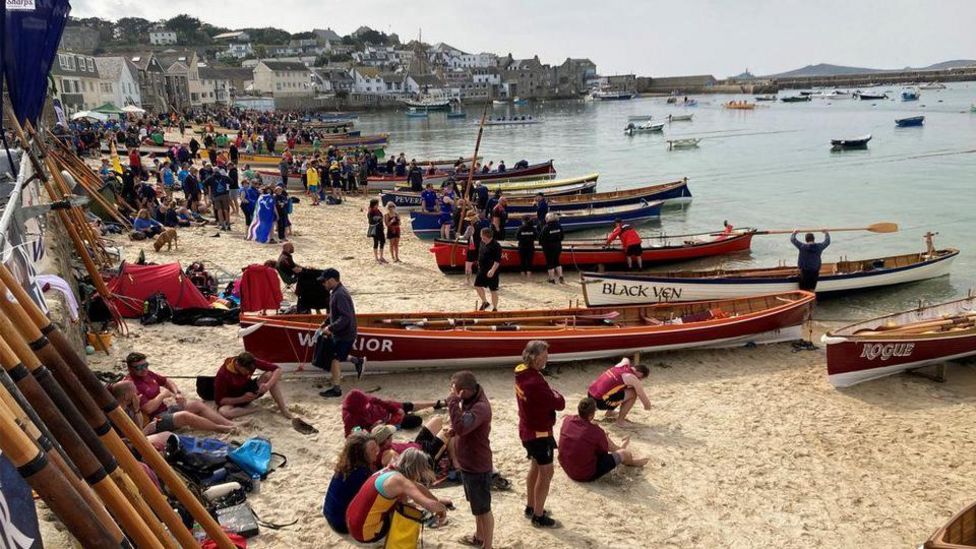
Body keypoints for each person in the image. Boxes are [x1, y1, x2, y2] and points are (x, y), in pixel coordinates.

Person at [345, 449, 450, 545]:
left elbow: (417, 486)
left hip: (350, 522)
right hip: (364, 533)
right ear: (416, 469)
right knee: (407, 510)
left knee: (402, 501)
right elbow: (428, 505)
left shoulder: (389, 470)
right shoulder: (400, 481)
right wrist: (442, 508)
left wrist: (436, 500)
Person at [514, 340, 564, 527]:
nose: (547, 359)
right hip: (539, 434)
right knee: (546, 473)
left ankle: (531, 505)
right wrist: (553, 392)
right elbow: (559, 403)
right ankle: (538, 515)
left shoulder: (521, 373)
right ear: (534, 358)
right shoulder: (535, 382)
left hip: (527, 428)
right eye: (544, 356)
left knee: (535, 467)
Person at [123, 352, 235, 434]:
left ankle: (229, 424)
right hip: (152, 421)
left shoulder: (147, 374)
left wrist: (177, 393)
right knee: (185, 416)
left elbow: (166, 381)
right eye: (139, 367)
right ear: (130, 368)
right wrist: (162, 395)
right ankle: (219, 428)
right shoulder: (131, 384)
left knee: (196, 404)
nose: (144, 369)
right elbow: (148, 409)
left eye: (145, 365)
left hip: (164, 410)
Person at [448, 371, 495, 549]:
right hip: (469, 463)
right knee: (477, 507)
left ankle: (488, 545)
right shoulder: (470, 401)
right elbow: (464, 427)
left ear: (464, 391)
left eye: (455, 390)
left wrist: (452, 402)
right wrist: (453, 430)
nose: (453, 393)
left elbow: (462, 427)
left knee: (484, 509)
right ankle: (479, 536)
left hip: (478, 466)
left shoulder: (480, 407)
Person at [558, 397, 649, 482]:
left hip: (566, 466)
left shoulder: (567, 420)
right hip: (584, 475)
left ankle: (620, 447)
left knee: (597, 440)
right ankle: (632, 462)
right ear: (592, 414)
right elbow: (604, 452)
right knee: (624, 454)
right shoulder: (596, 431)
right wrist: (604, 437)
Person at [316, 269, 366, 398]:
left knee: (335, 359)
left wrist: (330, 328)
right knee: (337, 355)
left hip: (345, 333)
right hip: (342, 332)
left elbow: (345, 317)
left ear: (332, 280)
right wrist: (325, 322)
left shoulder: (340, 294)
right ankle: (357, 361)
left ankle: (336, 389)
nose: (323, 284)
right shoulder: (336, 292)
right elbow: (335, 313)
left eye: (324, 281)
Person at [323, 431, 380, 534]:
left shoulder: (346, 465)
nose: (377, 451)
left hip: (329, 513)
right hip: (342, 524)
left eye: (376, 447)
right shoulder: (360, 474)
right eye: (372, 449)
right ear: (360, 454)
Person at [213, 352, 293, 419]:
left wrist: (268, 385)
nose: (248, 372)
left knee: (269, 375)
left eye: (250, 370)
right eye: (245, 370)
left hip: (250, 390)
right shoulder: (223, 374)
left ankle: (283, 409)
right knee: (224, 412)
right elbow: (219, 400)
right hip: (234, 398)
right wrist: (242, 399)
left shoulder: (252, 362)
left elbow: (277, 369)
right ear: (238, 365)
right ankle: (256, 410)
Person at [342, 389, 444, 436]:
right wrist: (371, 428)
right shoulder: (350, 418)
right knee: (416, 420)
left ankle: (439, 403)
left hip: (388, 411)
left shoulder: (365, 398)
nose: (368, 406)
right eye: (365, 406)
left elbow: (382, 402)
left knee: (409, 405)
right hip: (388, 423)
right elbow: (352, 435)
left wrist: (395, 410)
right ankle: (416, 413)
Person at [587, 357, 652, 425]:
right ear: (640, 374)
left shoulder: (622, 364)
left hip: (590, 394)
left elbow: (625, 358)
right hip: (600, 402)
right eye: (640, 379)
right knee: (633, 393)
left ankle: (609, 412)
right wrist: (648, 407)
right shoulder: (632, 378)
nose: (640, 380)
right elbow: (641, 395)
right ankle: (620, 421)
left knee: (618, 387)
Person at [474, 227, 501, 312]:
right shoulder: (482, 242)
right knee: (477, 286)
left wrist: (492, 270)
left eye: (483, 237)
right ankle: (485, 302)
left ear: (488, 236)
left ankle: (495, 308)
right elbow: (480, 253)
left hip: (492, 271)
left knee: (493, 290)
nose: (482, 239)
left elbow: (497, 261)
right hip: (481, 269)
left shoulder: (496, 245)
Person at [539, 212, 565, 284]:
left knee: (550, 263)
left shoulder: (546, 227)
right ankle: (561, 277)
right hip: (558, 246)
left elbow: (541, 238)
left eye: (546, 218)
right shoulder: (559, 226)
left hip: (549, 247)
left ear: (547, 219)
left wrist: (542, 245)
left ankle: (551, 279)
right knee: (557, 261)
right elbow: (562, 236)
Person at [367, 198, 386, 264]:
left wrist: (382, 224)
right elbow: (371, 221)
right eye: (377, 204)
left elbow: (381, 217)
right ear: (374, 204)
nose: (378, 205)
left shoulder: (377, 210)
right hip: (375, 229)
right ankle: (376, 258)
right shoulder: (371, 211)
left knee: (383, 241)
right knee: (376, 242)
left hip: (380, 228)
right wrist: (378, 219)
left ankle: (381, 257)